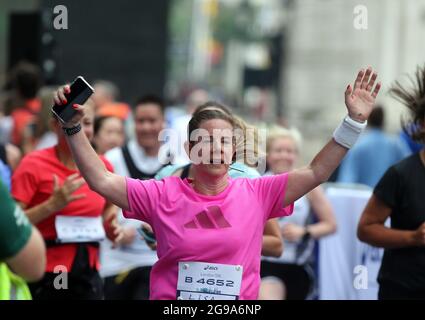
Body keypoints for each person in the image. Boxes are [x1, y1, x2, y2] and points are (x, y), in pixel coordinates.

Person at [54, 67, 381, 299]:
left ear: (233, 149)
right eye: (205, 140)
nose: (215, 148)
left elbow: (316, 172)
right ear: (189, 148)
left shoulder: (256, 191)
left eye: (223, 141)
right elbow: (100, 179)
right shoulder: (161, 192)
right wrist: (73, 129)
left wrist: (353, 123)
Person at [11, 98, 123, 300]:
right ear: (55, 125)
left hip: (89, 270)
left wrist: (111, 224)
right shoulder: (33, 164)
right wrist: (51, 205)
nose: (80, 129)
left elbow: (108, 207)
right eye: (74, 122)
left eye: (87, 123)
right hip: (49, 269)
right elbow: (12, 224)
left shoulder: (102, 167)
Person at [155, 102, 283, 258]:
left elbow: (276, 245)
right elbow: (153, 227)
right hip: (178, 274)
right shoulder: (168, 176)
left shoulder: (250, 180)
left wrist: (225, 239)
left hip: (234, 276)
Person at [358, 65, 425, 300]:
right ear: (422, 125)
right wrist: (413, 238)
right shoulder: (400, 174)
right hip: (403, 287)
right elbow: (365, 229)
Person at [101, 95, 171, 300]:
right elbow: (101, 208)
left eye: (153, 121)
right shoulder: (114, 158)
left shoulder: (178, 162)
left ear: (163, 123)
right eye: (141, 121)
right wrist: (115, 229)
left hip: (157, 260)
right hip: (117, 260)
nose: (147, 127)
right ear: (133, 124)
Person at [260, 126, 336, 300]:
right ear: (268, 154)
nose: (284, 156)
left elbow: (331, 225)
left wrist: (304, 232)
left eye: (290, 151)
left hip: (298, 266)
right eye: (279, 150)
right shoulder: (258, 183)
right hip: (265, 263)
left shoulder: (308, 186)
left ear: (297, 155)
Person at [337, 105, 410, 188]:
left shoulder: (358, 145)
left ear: (368, 120)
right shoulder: (396, 144)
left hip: (364, 199)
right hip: (388, 198)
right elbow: (409, 170)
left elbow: (346, 182)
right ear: (383, 121)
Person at [0, 179, 46, 299]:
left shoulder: (94, 168)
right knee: (61, 289)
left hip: (87, 259)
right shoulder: (33, 166)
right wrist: (52, 205)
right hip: (55, 264)